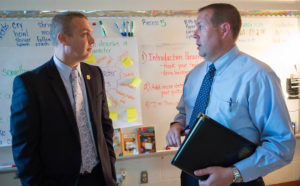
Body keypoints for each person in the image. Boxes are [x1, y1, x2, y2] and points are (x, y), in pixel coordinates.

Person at [166, 3, 296, 186]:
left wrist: (234, 174)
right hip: (190, 176)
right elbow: (183, 113)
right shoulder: (194, 76)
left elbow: (282, 145)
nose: (194, 33)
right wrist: (176, 124)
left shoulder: (258, 77)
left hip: (237, 180)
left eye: (200, 27)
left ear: (224, 29)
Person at [10, 12, 116, 186]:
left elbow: (105, 126)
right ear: (63, 39)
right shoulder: (31, 84)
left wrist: (109, 166)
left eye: (91, 33)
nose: (92, 40)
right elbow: (24, 148)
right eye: (84, 34)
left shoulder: (95, 74)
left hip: (100, 178)